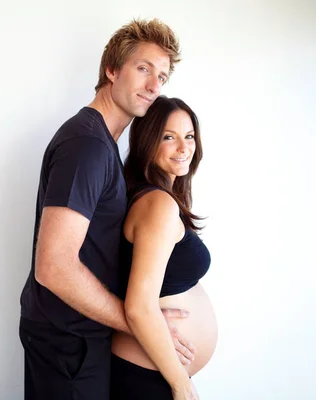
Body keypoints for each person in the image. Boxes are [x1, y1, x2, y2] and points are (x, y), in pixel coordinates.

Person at [19, 19, 195, 400]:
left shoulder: (103, 145)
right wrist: (141, 324)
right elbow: (54, 266)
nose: (154, 86)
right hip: (69, 346)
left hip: (79, 341)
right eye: (143, 69)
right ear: (111, 70)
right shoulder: (88, 145)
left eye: (162, 77)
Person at [110, 96, 217, 400]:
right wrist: (181, 383)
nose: (184, 148)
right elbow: (139, 307)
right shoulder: (157, 204)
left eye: (189, 136)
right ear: (147, 141)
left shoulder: (157, 199)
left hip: (153, 370)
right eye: (169, 137)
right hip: (146, 376)